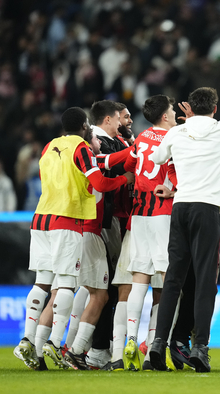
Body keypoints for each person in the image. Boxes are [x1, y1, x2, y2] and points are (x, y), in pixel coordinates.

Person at [149, 88, 220, 373]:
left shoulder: (177, 132)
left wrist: (181, 128)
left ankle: (157, 345)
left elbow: (159, 158)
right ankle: (200, 347)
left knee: (173, 280)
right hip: (208, 210)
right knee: (205, 283)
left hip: (181, 207)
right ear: (214, 108)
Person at [15, 107, 133, 370]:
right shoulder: (80, 147)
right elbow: (100, 182)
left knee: (43, 283)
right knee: (67, 284)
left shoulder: (49, 147)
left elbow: (97, 164)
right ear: (83, 126)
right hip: (67, 219)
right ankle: (55, 344)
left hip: (41, 218)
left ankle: (28, 340)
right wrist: (125, 178)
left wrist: (130, 152)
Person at [63, 128, 133, 370]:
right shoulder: (90, 163)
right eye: (95, 139)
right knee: (99, 295)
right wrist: (126, 179)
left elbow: (113, 160)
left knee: (88, 291)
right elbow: (103, 182)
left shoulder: (81, 164)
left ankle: (73, 348)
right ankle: (74, 350)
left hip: (81, 230)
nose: (99, 143)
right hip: (90, 231)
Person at [122, 95, 177, 371]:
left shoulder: (142, 137)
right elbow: (178, 174)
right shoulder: (174, 138)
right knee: (168, 279)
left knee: (139, 277)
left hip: (139, 212)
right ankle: (154, 345)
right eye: (172, 111)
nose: (176, 115)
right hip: (162, 212)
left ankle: (130, 338)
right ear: (165, 116)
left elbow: (130, 165)